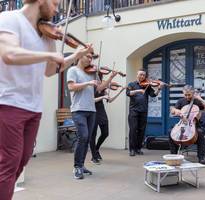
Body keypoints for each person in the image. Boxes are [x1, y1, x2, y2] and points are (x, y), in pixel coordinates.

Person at [0, 0, 93, 198]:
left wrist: (74, 56)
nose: (57, 10)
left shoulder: (47, 35)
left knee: (21, 162)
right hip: (8, 103)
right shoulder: (9, 19)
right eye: (55, 4)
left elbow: (51, 70)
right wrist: (47, 54)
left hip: (33, 108)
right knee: (9, 162)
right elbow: (9, 54)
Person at [67, 54, 117, 179]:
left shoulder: (92, 73)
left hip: (92, 110)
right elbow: (71, 87)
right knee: (83, 136)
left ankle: (82, 165)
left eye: (92, 58)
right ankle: (77, 167)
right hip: (78, 109)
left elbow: (100, 88)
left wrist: (110, 77)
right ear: (80, 57)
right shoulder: (73, 70)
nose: (90, 59)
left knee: (87, 138)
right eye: (88, 56)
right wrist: (88, 83)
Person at [169, 85, 205, 164]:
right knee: (171, 132)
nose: (187, 96)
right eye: (185, 94)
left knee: (200, 133)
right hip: (182, 124)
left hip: (195, 125)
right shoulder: (181, 101)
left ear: (193, 93)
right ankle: (173, 155)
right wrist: (175, 110)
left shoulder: (197, 101)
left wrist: (200, 98)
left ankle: (201, 157)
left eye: (189, 95)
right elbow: (172, 110)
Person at [90, 73, 126, 164]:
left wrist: (120, 91)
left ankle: (96, 149)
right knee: (92, 135)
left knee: (105, 133)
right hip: (92, 111)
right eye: (98, 78)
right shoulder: (90, 87)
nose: (99, 80)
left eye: (100, 79)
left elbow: (110, 100)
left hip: (101, 112)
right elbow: (91, 100)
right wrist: (102, 97)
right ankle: (94, 156)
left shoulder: (103, 89)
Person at [126, 69, 163, 156]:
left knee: (141, 131)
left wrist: (159, 89)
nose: (142, 76)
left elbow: (153, 95)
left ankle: (138, 148)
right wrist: (138, 91)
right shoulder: (131, 84)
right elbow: (128, 93)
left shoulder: (147, 85)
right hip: (133, 111)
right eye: (141, 74)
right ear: (137, 75)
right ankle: (132, 149)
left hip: (143, 111)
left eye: (144, 75)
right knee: (133, 130)